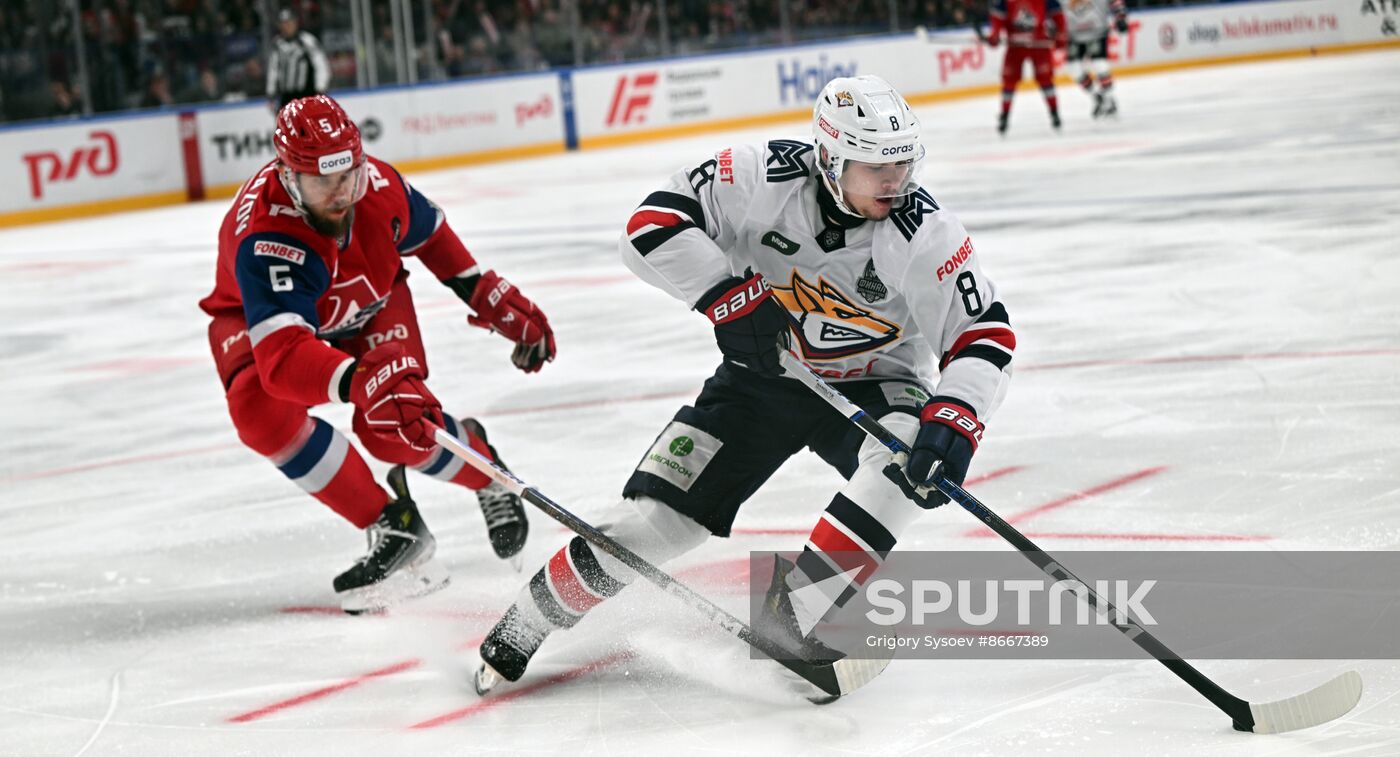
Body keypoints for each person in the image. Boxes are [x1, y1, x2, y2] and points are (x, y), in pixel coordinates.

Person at [472, 75, 1015, 693]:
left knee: (901, 463)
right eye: (875, 166)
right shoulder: (759, 177)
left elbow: (984, 334)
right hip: (762, 379)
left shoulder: (927, 233)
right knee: (655, 525)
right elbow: (648, 227)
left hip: (877, 384)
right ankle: (526, 621)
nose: (896, 180)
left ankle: (798, 614)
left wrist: (957, 414)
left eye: (903, 162)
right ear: (831, 159)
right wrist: (728, 298)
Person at [198, 95, 556, 613]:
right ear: (289, 177)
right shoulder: (266, 237)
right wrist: (359, 381)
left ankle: (481, 463)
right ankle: (394, 526)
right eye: (323, 181)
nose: (342, 193)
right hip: (261, 321)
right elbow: (281, 359)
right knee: (258, 412)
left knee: (394, 429)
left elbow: (430, 235)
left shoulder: (379, 187)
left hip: (371, 303)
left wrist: (483, 292)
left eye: (349, 174)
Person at [988, 0, 1068, 134]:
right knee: (1009, 80)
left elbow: (1058, 16)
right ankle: (1004, 115)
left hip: (1039, 44)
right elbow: (997, 20)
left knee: (1045, 79)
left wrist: (1060, 34)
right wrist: (995, 35)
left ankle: (1054, 113)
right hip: (1015, 46)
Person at [1064, 0, 1129, 118]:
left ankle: (1109, 100)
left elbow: (1116, 1)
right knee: (1074, 70)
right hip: (1074, 35)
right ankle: (1097, 96)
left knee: (1100, 65)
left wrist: (1120, 17)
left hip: (1097, 31)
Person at [266, 8, 330, 111]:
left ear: (296, 23)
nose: (287, 27)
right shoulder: (277, 45)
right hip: (286, 96)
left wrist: (320, 88)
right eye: (283, 24)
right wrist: (271, 93)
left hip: (307, 95)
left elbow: (321, 65)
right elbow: (273, 70)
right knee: (286, 125)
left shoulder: (307, 41)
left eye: (289, 23)